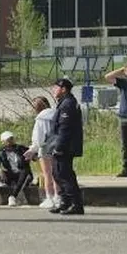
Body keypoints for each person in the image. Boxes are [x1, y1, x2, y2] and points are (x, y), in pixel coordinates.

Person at [49, 78, 85, 215]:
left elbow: (65, 128)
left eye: (56, 87)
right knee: (57, 174)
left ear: (63, 89)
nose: (53, 90)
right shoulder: (64, 102)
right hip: (62, 145)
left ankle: (76, 204)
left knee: (65, 175)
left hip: (65, 146)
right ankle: (65, 202)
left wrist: (59, 147)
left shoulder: (68, 104)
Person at [24, 96, 60, 209]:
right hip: (57, 146)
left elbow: (38, 137)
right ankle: (58, 197)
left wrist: (32, 149)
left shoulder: (41, 118)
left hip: (45, 148)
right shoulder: (56, 113)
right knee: (56, 174)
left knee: (47, 174)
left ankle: (49, 198)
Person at [0, 131, 33, 206]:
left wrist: (32, 155)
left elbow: (34, 156)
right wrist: (0, 169)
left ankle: (13, 197)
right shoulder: (1, 151)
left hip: (22, 175)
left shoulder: (21, 148)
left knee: (25, 170)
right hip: (10, 175)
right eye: (8, 140)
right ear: (3, 142)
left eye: (11, 139)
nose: (10, 141)